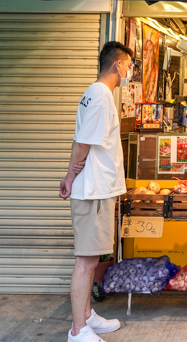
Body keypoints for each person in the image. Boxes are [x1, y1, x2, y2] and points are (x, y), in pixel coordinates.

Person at [59, 41, 133, 342]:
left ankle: (87, 315)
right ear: (118, 64)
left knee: (91, 257)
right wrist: (69, 175)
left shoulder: (97, 94)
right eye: (129, 64)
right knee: (87, 260)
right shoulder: (101, 94)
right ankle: (78, 330)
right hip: (93, 190)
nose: (130, 70)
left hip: (96, 189)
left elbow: (83, 139)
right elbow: (83, 143)